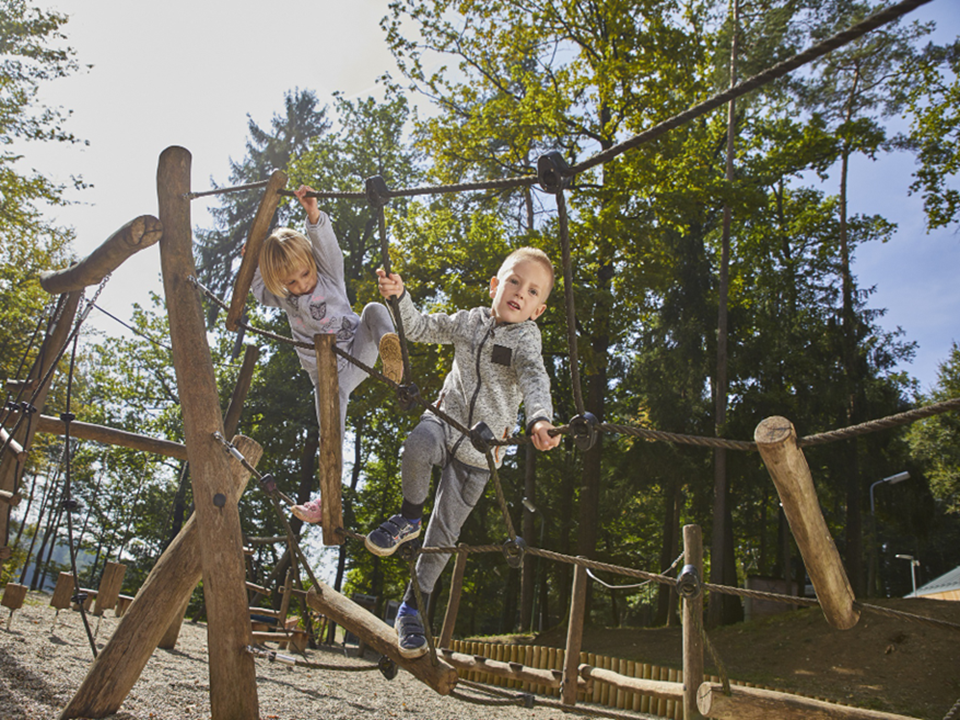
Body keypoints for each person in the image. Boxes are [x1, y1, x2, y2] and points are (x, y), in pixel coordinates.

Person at [367, 247, 561, 658]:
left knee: (444, 536)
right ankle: (408, 516)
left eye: (531, 291)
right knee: (416, 444)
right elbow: (418, 327)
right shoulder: (468, 322)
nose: (519, 294)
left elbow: (534, 379)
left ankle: (412, 608)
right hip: (445, 421)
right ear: (495, 285)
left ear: (538, 310)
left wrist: (540, 419)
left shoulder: (526, 340)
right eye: (513, 282)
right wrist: (400, 297)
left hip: (481, 454)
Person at [251, 184, 403, 524]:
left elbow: (328, 249)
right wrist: (251, 261)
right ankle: (324, 500)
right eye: (291, 282)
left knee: (374, 309)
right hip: (327, 377)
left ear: (311, 265)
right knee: (329, 435)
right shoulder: (287, 301)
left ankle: (391, 349)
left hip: (358, 349)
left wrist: (313, 215)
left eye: (304, 273)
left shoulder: (329, 278)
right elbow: (261, 290)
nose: (301, 284)